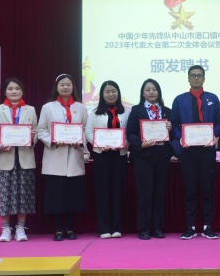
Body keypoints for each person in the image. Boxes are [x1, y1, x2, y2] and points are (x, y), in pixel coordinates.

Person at [170, 65, 220, 240]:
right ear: (188, 78)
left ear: (204, 78)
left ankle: (208, 226)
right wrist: (180, 137)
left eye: (199, 75)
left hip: (207, 151)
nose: (196, 78)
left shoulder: (212, 98)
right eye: (193, 76)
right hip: (188, 152)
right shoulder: (179, 100)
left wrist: (216, 135)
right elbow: (174, 124)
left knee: (208, 189)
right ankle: (191, 227)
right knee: (190, 189)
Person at [37, 74, 89, 241]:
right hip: (55, 155)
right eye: (62, 85)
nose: (65, 87)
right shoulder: (47, 107)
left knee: (72, 196)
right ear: (57, 87)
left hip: (74, 155)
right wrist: (52, 141)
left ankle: (70, 228)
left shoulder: (81, 108)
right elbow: (41, 130)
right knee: (56, 196)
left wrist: (81, 143)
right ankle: (59, 229)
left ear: (73, 87)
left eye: (68, 85)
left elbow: (85, 130)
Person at [0, 78, 38, 242]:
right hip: (5, 156)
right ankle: (5, 229)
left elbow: (36, 131)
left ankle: (21, 228)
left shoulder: (30, 110)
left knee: (24, 194)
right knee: (5, 194)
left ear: (22, 91)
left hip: (25, 156)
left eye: (17, 88)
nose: (14, 91)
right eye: (10, 88)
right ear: (5, 92)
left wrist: (32, 139)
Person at [126, 79, 174, 240]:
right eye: (148, 90)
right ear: (143, 93)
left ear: (159, 92)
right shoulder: (136, 110)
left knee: (159, 192)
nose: (151, 92)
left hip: (162, 156)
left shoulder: (167, 111)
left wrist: (171, 128)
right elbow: (130, 133)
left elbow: (174, 135)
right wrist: (140, 144)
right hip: (143, 157)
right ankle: (144, 227)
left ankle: (157, 227)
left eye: (154, 89)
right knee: (144, 193)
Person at [85, 80, 130, 239]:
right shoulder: (94, 113)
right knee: (102, 191)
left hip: (120, 156)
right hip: (101, 156)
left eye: (114, 91)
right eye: (107, 92)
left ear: (118, 93)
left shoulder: (126, 112)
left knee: (118, 191)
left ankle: (117, 227)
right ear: (102, 94)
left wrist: (123, 144)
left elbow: (130, 133)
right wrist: (99, 144)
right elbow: (88, 133)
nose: (111, 94)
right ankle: (103, 228)